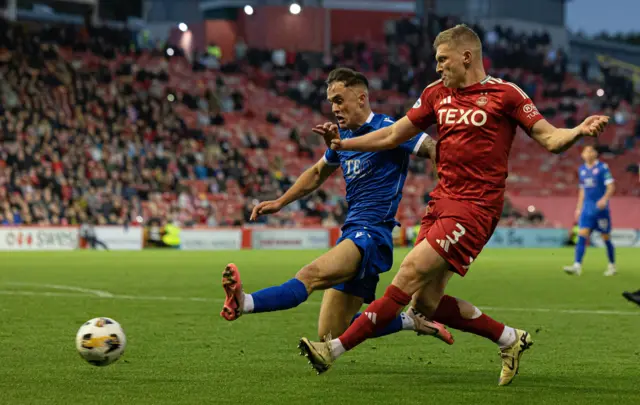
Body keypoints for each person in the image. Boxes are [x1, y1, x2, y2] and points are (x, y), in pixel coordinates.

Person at [298, 24, 609, 386]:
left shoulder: (505, 94)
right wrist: (342, 146)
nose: (438, 67)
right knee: (425, 304)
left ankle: (332, 350)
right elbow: (392, 134)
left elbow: (550, 138)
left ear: (466, 56)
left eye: (442, 59)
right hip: (442, 202)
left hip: (477, 206)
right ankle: (510, 339)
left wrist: (577, 131)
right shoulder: (435, 94)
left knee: (410, 270)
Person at [220, 67, 452, 345]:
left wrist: (444, 197)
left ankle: (244, 302)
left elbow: (434, 148)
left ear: (361, 98)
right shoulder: (342, 139)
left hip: (372, 234)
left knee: (310, 275)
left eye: (339, 100)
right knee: (332, 332)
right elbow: (318, 172)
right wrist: (281, 202)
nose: (334, 108)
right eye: (331, 101)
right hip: (353, 231)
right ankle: (409, 320)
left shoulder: (389, 128)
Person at [563, 145, 616, 276]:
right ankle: (577, 265)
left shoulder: (603, 168)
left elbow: (611, 187)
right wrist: (578, 207)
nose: (588, 153)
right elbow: (582, 190)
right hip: (587, 209)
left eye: (590, 151)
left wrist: (604, 199)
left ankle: (612, 265)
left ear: (595, 153)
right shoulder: (582, 170)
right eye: (585, 151)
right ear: (582, 155)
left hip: (600, 209)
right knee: (581, 235)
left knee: (606, 237)